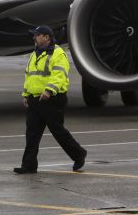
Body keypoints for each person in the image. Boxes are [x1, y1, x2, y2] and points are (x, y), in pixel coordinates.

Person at [14, 25, 87, 175]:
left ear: (46, 37)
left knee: (58, 131)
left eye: (37, 35)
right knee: (32, 134)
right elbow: (30, 75)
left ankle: (79, 154)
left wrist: (49, 90)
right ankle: (29, 165)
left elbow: (59, 75)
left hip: (52, 99)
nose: (34, 37)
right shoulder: (34, 54)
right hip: (35, 100)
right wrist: (26, 94)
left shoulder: (58, 54)